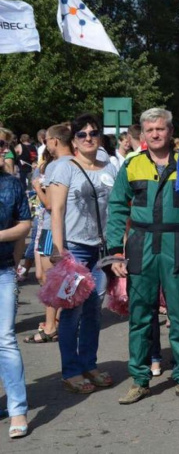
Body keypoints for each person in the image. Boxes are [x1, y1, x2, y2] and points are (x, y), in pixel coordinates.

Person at [107, 108, 179, 404]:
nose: (156, 134)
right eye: (150, 130)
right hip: (142, 243)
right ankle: (139, 378)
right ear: (143, 134)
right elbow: (117, 208)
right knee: (140, 315)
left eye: (160, 129)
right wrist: (115, 252)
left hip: (178, 242)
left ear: (170, 131)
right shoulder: (132, 165)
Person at [48, 114, 117, 394]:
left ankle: (89, 364)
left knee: (93, 312)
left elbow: (117, 210)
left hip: (101, 249)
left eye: (93, 133)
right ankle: (71, 371)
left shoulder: (109, 167)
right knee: (72, 311)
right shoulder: (66, 167)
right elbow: (58, 209)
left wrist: (118, 246)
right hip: (75, 248)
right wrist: (58, 248)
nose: (88, 138)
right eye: (82, 134)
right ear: (74, 139)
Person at [23, 124, 75, 344]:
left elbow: (51, 204)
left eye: (47, 141)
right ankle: (53, 322)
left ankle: (51, 325)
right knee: (52, 278)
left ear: (54, 140)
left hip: (49, 230)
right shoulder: (75, 162)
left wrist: (37, 187)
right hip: (63, 229)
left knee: (49, 279)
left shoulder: (57, 166)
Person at [0, 151, 32, 438]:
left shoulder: (11, 185)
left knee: (5, 339)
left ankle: (17, 409)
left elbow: (25, 224)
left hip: (2, 270)